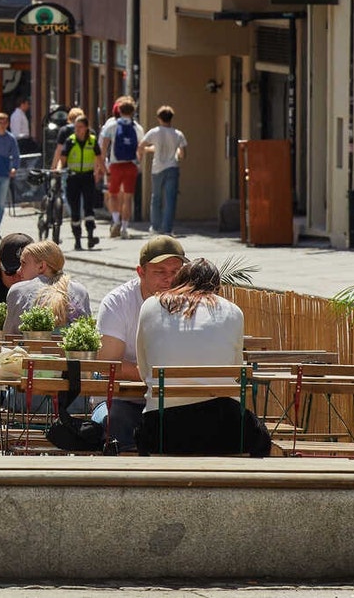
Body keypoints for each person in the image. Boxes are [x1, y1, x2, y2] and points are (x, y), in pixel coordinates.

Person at [135, 258, 265, 456]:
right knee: (261, 437)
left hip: (163, 430)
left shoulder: (151, 306)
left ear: (179, 281)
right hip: (225, 429)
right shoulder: (233, 311)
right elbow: (237, 368)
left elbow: (144, 371)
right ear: (217, 286)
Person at [92, 236, 187, 449]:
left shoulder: (190, 303)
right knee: (115, 421)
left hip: (172, 401)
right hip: (122, 401)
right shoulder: (118, 302)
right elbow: (109, 364)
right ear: (140, 272)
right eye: (159, 272)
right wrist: (161, 377)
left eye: (175, 272)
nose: (169, 279)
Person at [3, 240, 92, 334]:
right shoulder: (80, 291)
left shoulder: (18, 291)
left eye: (23, 263)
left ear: (41, 266)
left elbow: (8, 337)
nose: (18, 270)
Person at [52, 114, 105, 250]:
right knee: (75, 210)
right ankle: (77, 240)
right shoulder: (70, 141)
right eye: (75, 126)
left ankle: (90, 236)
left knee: (89, 208)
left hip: (88, 177)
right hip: (73, 178)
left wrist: (104, 171)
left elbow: (99, 159)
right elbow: (62, 160)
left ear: (86, 128)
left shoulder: (92, 141)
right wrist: (58, 170)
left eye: (80, 127)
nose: (77, 129)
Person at [141, 106, 188, 236]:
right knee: (170, 199)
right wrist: (176, 153)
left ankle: (155, 227)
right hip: (172, 166)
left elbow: (142, 145)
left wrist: (142, 154)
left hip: (157, 168)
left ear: (158, 118)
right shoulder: (178, 134)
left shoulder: (154, 132)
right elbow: (182, 154)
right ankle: (167, 228)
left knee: (156, 197)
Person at [100, 97, 141, 239]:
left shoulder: (112, 126)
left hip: (115, 165)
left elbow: (104, 146)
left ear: (119, 110)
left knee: (113, 194)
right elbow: (140, 148)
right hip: (131, 165)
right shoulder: (137, 127)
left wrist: (103, 165)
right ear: (133, 111)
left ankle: (116, 220)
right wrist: (138, 162)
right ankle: (124, 228)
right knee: (128, 198)